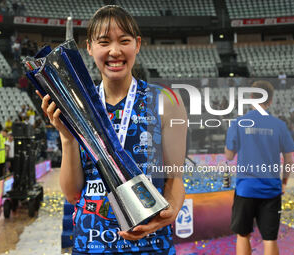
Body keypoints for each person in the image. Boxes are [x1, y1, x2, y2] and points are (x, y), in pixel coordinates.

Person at [38, 5, 187, 254]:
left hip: (151, 244)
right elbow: (74, 193)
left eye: (124, 41)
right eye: (104, 42)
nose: (114, 51)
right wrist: (67, 137)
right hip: (91, 242)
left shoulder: (166, 102)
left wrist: (169, 213)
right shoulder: (77, 105)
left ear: (137, 44)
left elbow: (174, 178)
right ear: (89, 47)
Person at [225, 80, 294, 255]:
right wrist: (284, 183)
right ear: (270, 100)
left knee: (243, 235)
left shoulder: (239, 123)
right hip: (271, 189)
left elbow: (228, 156)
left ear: (250, 98)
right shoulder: (279, 126)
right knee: (270, 238)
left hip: (245, 189)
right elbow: (289, 160)